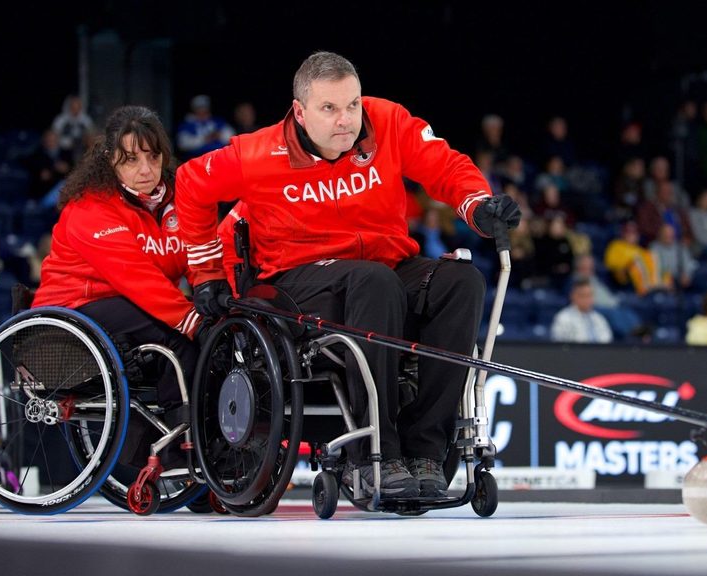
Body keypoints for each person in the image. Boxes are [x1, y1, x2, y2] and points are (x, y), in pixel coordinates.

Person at [175, 51, 520, 499]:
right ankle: (378, 452)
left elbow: (445, 165)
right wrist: (204, 274)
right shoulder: (258, 152)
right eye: (329, 108)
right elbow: (190, 183)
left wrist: (478, 204)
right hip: (297, 281)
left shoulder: (389, 122)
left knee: (462, 281)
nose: (346, 120)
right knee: (373, 281)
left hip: (385, 269)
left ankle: (426, 451)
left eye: (352, 105)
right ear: (299, 111)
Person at [31, 105, 203, 435]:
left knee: (207, 339)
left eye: (153, 157)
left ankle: (208, 440)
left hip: (132, 307)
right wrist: (191, 321)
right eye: (132, 159)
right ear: (111, 160)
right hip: (75, 310)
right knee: (176, 338)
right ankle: (180, 443)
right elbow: (136, 277)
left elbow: (197, 257)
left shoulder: (177, 202)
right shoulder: (90, 207)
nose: (145, 170)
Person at [550, 279, 613, 344]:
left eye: (590, 295)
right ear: (573, 296)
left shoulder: (599, 318)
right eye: (583, 295)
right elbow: (560, 345)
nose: (587, 299)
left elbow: (607, 341)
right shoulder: (563, 318)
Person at [176, 94, 235, 160]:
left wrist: (219, 135)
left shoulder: (217, 121)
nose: (202, 112)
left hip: (219, 158)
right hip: (197, 159)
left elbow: (232, 136)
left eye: (205, 109)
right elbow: (183, 144)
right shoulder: (187, 125)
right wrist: (204, 139)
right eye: (199, 109)